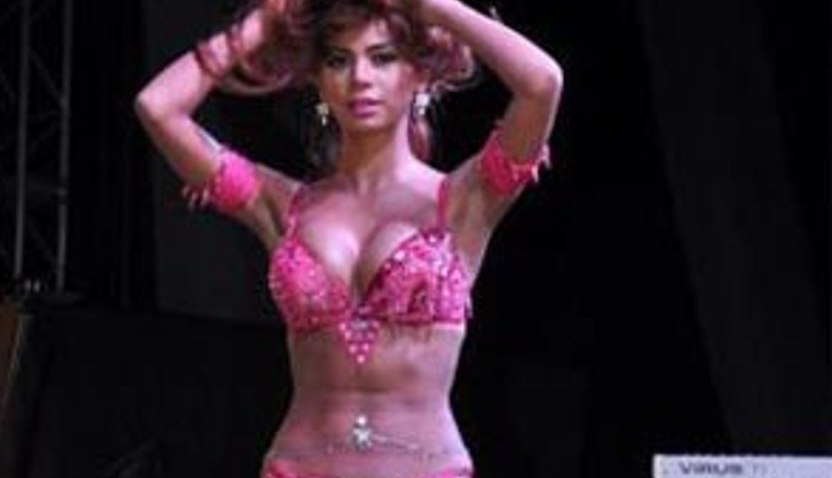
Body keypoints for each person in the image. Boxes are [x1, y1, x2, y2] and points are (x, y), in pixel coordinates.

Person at [134, 0, 562, 476]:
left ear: (420, 74)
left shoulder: (464, 201)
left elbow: (542, 82)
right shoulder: (281, 205)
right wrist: (268, 19)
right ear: (318, 81)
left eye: (383, 57)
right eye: (338, 60)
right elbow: (158, 107)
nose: (360, 77)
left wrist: (435, 8)